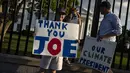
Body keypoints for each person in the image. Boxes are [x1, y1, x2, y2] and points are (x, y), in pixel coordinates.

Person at [93, 1, 122, 73]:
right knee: (98, 66)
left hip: (108, 45)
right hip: (101, 45)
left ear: (105, 8)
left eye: (101, 8)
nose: (100, 9)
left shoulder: (113, 17)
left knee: (104, 67)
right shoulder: (105, 18)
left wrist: (105, 36)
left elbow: (119, 31)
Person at [37, 8, 66, 73]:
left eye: (63, 14)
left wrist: (75, 40)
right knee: (42, 69)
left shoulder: (67, 27)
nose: (61, 16)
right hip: (48, 50)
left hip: (59, 52)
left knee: (53, 70)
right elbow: (42, 34)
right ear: (56, 15)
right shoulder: (49, 24)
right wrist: (36, 34)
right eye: (60, 14)